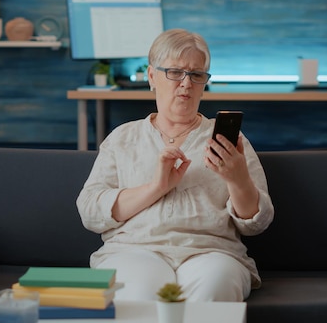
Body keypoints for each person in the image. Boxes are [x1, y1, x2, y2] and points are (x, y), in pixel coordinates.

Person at [76, 28, 274, 302]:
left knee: (217, 284)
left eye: (196, 74)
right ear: (151, 76)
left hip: (212, 252)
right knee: (140, 292)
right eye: (175, 72)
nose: (186, 83)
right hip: (133, 250)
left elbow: (257, 224)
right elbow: (90, 211)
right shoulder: (123, 138)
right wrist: (156, 187)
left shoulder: (232, 142)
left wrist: (238, 179)